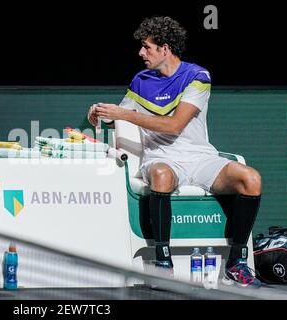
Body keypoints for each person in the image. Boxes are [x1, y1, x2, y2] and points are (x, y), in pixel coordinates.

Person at [87, 16, 262, 287]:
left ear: (165, 48)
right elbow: (120, 115)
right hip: (161, 158)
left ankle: (236, 262)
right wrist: (100, 113)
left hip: (200, 158)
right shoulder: (141, 80)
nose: (140, 53)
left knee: (251, 180)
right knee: (161, 176)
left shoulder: (197, 76)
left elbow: (174, 125)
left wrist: (123, 114)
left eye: (146, 47)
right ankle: (162, 262)